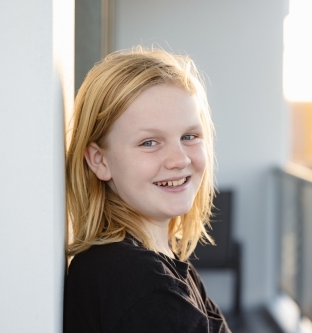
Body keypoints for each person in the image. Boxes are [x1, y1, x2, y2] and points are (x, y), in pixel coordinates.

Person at [63, 47, 231, 333]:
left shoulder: (150, 264)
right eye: (149, 142)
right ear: (99, 160)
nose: (179, 160)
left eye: (189, 136)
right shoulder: (143, 287)